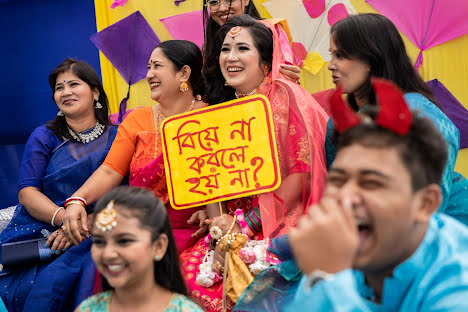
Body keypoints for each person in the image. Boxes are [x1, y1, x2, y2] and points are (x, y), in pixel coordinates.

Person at [180, 15, 328, 311]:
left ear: (265, 62)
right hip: (238, 222)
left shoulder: (286, 96)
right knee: (185, 276)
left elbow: (302, 174)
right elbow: (217, 180)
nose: (230, 57)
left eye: (242, 49)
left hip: (286, 217)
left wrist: (248, 224)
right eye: (225, 49)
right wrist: (220, 229)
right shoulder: (228, 110)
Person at [284, 79, 468, 311]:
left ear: (425, 203)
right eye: (339, 180)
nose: (346, 198)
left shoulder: (457, 283)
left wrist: (328, 278)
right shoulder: (344, 250)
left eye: (372, 183)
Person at [62, 40, 208, 253]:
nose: (149, 75)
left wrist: (211, 210)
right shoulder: (136, 119)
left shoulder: (213, 117)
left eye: (157, 66)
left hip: (197, 231)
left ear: (184, 73)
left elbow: (228, 180)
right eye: (148, 67)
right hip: (142, 229)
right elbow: (110, 170)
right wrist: (77, 200)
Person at [325, 13, 468, 222]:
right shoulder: (337, 122)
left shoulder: (420, 116)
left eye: (341, 56)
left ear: (372, 58)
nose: (330, 65)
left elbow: (420, 213)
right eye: (331, 55)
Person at [0, 58, 117, 311]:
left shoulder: (119, 137)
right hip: (42, 230)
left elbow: (127, 192)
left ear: (95, 91)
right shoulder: (44, 136)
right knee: (36, 285)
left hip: (102, 225)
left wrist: (85, 223)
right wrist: (66, 219)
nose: (66, 92)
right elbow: (27, 192)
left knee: (94, 275)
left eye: (74, 84)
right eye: (59, 87)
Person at [75, 186, 203, 312]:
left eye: (124, 241)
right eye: (99, 242)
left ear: (159, 246)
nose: (108, 254)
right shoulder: (87, 308)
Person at [202, 0, 301, 83]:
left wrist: (291, 81)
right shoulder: (210, 46)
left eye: (229, 0)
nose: (222, 8)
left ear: (246, 0)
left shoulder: (272, 31)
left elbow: (284, 81)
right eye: (214, 2)